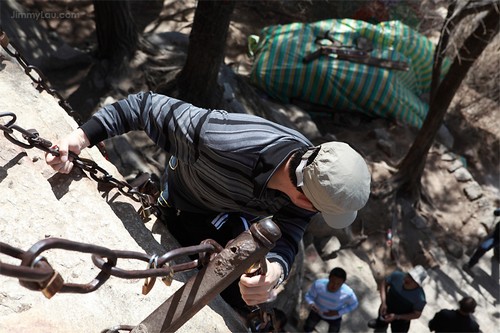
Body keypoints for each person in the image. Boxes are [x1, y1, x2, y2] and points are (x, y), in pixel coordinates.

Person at [45, 92, 371, 312]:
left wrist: (276, 269)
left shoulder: (308, 173)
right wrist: (78, 139)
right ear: (302, 194)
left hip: (230, 209)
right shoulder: (220, 140)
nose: (313, 214)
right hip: (188, 201)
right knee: (213, 268)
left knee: (242, 290)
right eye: (320, 209)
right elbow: (142, 106)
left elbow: (291, 227)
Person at [367, 265, 427, 333]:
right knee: (381, 318)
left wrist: (397, 317)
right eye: (409, 275)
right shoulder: (397, 276)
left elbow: (417, 314)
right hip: (387, 307)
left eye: (413, 280)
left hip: (402, 319)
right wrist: (383, 302)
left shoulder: (420, 298)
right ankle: (381, 324)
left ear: (418, 284)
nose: (407, 279)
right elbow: (384, 284)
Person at [303, 267, 359, 333]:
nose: (334, 286)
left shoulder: (348, 293)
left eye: (338, 284)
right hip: (317, 312)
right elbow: (309, 296)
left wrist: (338, 312)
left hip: (335, 317)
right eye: (332, 282)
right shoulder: (318, 285)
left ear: (343, 282)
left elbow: (354, 304)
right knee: (308, 326)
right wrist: (311, 303)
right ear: (329, 278)